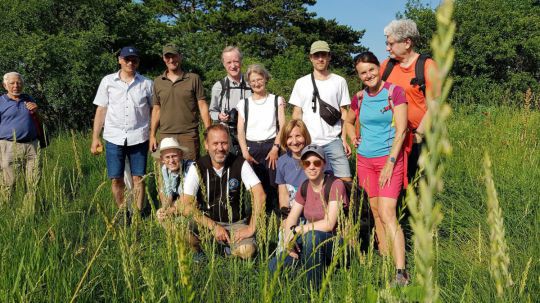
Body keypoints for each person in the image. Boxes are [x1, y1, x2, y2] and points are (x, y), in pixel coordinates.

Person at [344, 51, 409, 286]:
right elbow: (348, 121)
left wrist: (391, 163)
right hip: (365, 161)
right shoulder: (359, 98)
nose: (369, 75)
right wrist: (353, 137)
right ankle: (385, 257)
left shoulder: (394, 93)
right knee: (374, 210)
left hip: (389, 160)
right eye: (363, 72)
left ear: (378, 68)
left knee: (388, 212)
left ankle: (401, 273)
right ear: (359, 76)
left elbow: (402, 131)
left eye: (371, 69)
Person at [157, 124, 266, 259]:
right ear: (207, 145)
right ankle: (199, 250)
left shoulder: (240, 163)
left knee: (247, 251)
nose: (220, 148)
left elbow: (260, 194)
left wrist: (251, 228)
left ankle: (221, 251)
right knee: (175, 226)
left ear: (229, 144)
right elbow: (185, 204)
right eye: (215, 143)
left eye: (224, 143)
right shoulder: (198, 167)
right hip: (206, 221)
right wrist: (213, 226)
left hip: (235, 224)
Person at [269, 144, 348, 291]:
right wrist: (289, 240)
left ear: (324, 164)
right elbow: (291, 218)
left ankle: (313, 290)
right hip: (311, 242)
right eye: (307, 163)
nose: (311, 167)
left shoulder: (335, 184)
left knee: (312, 236)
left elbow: (330, 223)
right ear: (303, 166)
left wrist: (298, 229)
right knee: (273, 267)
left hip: (336, 242)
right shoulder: (305, 186)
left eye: (316, 163)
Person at [90, 46, 153, 213]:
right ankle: (123, 213)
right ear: (120, 60)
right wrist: (95, 138)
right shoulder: (108, 81)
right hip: (114, 137)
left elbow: (155, 110)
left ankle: (138, 215)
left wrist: (154, 134)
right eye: (127, 59)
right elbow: (101, 109)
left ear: (138, 62)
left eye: (134, 60)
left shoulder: (147, 83)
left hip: (139, 136)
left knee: (138, 177)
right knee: (116, 179)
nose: (130, 63)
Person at [289, 40, 352, 182]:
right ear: (310, 58)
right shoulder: (301, 82)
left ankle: (346, 204)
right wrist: (297, 139)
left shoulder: (339, 81)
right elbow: (297, 113)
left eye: (323, 55)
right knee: (312, 182)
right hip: (309, 141)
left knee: (345, 180)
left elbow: (344, 112)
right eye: (316, 55)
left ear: (329, 56)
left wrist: (344, 139)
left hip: (334, 140)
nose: (320, 59)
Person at [382, 19, 436, 183]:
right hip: (390, 137)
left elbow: (435, 105)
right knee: (391, 182)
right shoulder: (387, 66)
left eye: (391, 43)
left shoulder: (427, 66)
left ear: (407, 42)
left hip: (418, 138)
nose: (387, 48)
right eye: (387, 43)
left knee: (417, 184)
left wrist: (419, 134)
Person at [236, 64, 285, 214]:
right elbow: (240, 131)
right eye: (253, 81)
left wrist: (276, 148)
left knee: (274, 184)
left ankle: (276, 216)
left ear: (265, 79)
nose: (256, 83)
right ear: (249, 83)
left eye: (259, 79)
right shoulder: (243, 104)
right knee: (255, 185)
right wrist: (245, 152)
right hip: (252, 148)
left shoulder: (276, 100)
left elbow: (283, 125)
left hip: (272, 146)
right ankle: (256, 216)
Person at [150, 43, 211, 160]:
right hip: (165, 135)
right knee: (166, 174)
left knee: (191, 173)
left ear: (180, 57)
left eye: (174, 56)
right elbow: (156, 110)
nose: (171, 60)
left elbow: (203, 106)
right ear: (163, 59)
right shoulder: (158, 81)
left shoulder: (193, 78)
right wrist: (152, 135)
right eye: (168, 57)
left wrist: (208, 134)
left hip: (188, 135)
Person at [0, 72, 40, 192]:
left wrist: (36, 111)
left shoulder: (28, 98)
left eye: (19, 83)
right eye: (12, 83)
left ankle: (30, 209)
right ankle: (5, 208)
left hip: (32, 145)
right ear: (5, 85)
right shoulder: (1, 101)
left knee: (34, 181)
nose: (16, 86)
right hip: (9, 145)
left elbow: (39, 120)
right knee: (9, 182)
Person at [209, 46, 252, 155]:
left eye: (236, 61)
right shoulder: (219, 87)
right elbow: (212, 111)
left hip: (249, 134)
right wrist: (219, 116)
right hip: (227, 135)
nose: (232, 66)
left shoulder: (251, 84)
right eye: (229, 62)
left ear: (241, 62)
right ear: (223, 64)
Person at [154, 137, 193, 209]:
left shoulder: (190, 168)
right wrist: (164, 209)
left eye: (174, 156)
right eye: (167, 157)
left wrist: (171, 209)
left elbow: (187, 198)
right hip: (179, 202)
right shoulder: (164, 169)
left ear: (181, 155)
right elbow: (167, 193)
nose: (171, 160)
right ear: (162, 159)